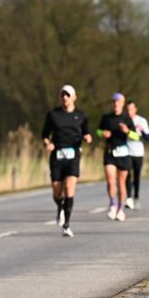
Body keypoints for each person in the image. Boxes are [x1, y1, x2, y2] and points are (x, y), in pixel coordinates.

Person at [42, 84, 93, 238]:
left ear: (74, 97)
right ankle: (60, 207)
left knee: (69, 187)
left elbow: (87, 133)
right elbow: (45, 135)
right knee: (57, 191)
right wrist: (47, 144)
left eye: (68, 95)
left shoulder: (81, 115)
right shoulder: (53, 115)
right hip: (57, 155)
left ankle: (67, 225)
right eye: (63, 95)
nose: (65, 98)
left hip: (73, 155)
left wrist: (88, 137)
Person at [97, 93, 137, 222]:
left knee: (121, 183)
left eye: (118, 102)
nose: (116, 104)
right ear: (111, 104)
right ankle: (113, 204)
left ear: (122, 104)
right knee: (110, 180)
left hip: (123, 153)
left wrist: (127, 131)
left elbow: (136, 136)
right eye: (114, 102)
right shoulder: (106, 118)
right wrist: (102, 133)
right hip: (110, 152)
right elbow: (98, 131)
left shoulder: (127, 118)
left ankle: (120, 209)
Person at [124, 100, 149, 210]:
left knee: (136, 176)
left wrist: (142, 131)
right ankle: (128, 198)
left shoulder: (142, 120)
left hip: (138, 152)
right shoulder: (124, 120)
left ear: (135, 109)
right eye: (127, 109)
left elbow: (147, 138)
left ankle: (136, 197)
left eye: (131, 109)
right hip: (126, 151)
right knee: (127, 175)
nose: (129, 111)